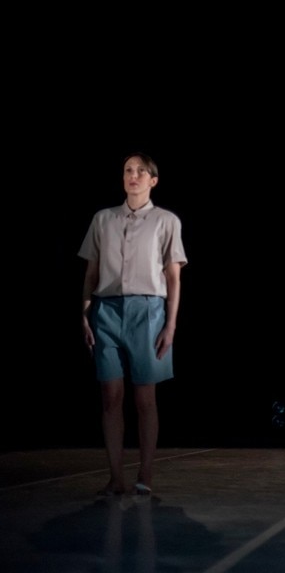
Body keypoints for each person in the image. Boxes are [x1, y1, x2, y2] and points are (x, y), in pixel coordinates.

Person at [79, 153, 188, 496]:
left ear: (153, 180)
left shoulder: (166, 221)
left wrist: (170, 325)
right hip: (107, 310)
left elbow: (173, 278)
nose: (134, 175)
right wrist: (84, 313)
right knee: (110, 396)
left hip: (148, 311)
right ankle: (115, 477)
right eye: (128, 169)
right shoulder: (103, 219)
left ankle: (145, 474)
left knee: (145, 398)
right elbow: (91, 272)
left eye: (141, 171)